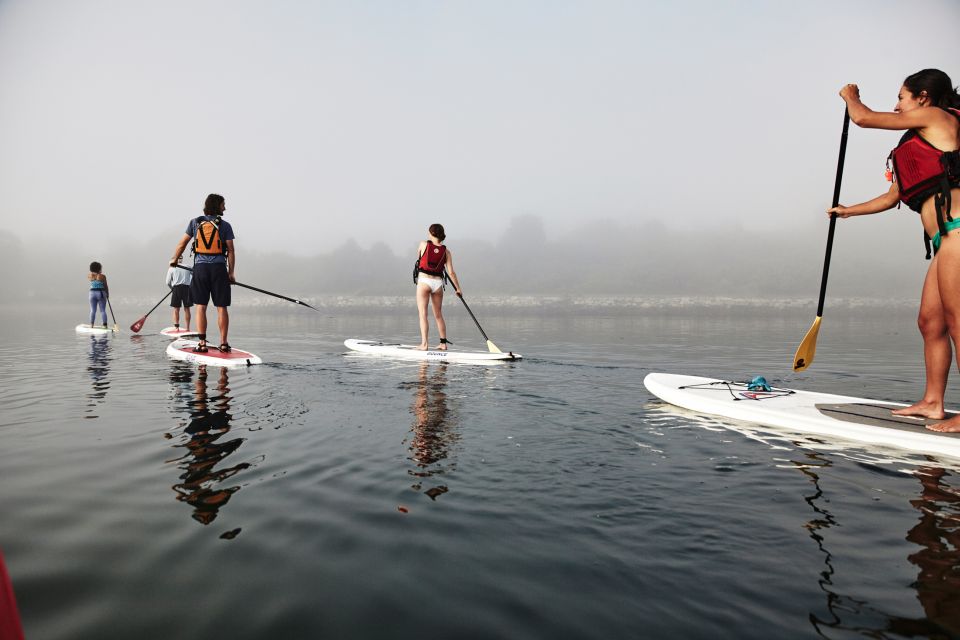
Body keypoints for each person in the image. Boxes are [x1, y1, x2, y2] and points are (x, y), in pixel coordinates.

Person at [829, 69, 960, 432]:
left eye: (901, 97)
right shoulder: (914, 140)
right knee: (930, 322)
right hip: (944, 240)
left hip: (959, 232)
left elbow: (863, 117)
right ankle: (933, 403)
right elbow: (893, 197)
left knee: (958, 323)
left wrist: (851, 96)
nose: (896, 105)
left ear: (923, 97)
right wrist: (848, 210)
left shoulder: (937, 116)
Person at [169, 194, 235, 353]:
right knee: (221, 307)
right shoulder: (225, 225)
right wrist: (231, 273)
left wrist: (174, 259)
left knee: (200, 307)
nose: (225, 208)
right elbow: (231, 251)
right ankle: (224, 343)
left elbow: (182, 244)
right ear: (217, 206)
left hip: (200, 269)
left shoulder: (194, 223)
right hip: (219, 270)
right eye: (223, 205)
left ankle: (202, 343)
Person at [414, 224, 462, 350]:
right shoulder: (446, 252)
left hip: (424, 281)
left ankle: (424, 344)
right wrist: (458, 289)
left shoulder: (423, 244)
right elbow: (451, 272)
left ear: (431, 233)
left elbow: (419, 258)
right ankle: (443, 343)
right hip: (438, 284)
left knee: (423, 314)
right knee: (438, 315)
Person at [165, 256, 193, 332]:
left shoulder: (171, 268)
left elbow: (167, 282)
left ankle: (176, 328)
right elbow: (195, 275)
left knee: (176, 309)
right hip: (187, 288)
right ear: (181, 259)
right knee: (187, 309)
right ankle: (187, 328)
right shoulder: (188, 267)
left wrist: (172, 289)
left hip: (176, 288)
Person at [87, 261, 109, 328]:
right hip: (101, 293)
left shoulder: (89, 276)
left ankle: (91, 325)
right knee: (102, 310)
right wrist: (107, 294)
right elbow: (105, 286)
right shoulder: (102, 276)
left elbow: (94, 279)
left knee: (93, 310)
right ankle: (105, 325)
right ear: (99, 268)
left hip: (92, 293)